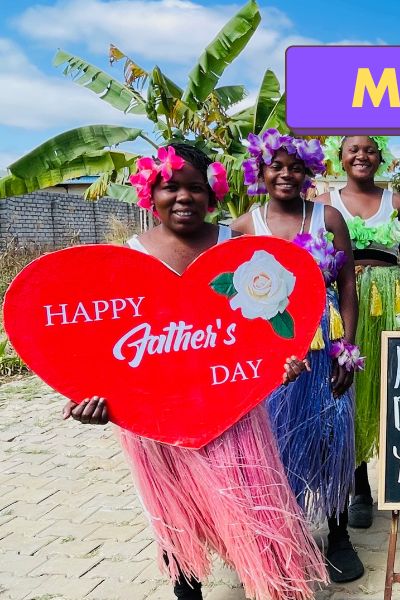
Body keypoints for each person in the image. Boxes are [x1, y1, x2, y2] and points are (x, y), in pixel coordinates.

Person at [64, 143, 327, 600]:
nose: (183, 197)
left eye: (196, 188)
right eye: (171, 187)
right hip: (157, 418)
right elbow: (101, 343)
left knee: (257, 514)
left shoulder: (237, 251)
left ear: (213, 194)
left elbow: (266, 328)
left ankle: (274, 586)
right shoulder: (127, 258)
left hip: (232, 412)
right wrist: (91, 397)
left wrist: (281, 365)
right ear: (151, 192)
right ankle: (187, 589)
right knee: (176, 517)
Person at [232, 130, 364, 582]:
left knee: (333, 437)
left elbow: (347, 286)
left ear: (308, 170)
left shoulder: (328, 217)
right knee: (277, 442)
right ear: (260, 171)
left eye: (295, 166)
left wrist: (346, 349)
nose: (286, 174)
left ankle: (339, 533)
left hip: (324, 341)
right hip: (271, 350)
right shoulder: (245, 226)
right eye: (276, 166)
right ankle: (284, 533)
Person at [317, 135, 400, 530]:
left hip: (388, 300)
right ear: (339, 158)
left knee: (397, 391)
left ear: (382, 157)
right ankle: (360, 487)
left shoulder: (396, 203)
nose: (362, 155)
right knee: (353, 391)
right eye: (353, 150)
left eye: (370, 150)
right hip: (346, 303)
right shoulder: (326, 205)